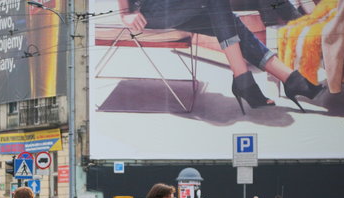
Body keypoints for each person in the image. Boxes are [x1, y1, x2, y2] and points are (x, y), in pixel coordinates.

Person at [118, 0, 324, 113]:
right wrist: (124, 12)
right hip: (150, 10)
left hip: (180, 6)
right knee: (223, 14)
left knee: (228, 20)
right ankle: (257, 80)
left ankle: (280, 79)